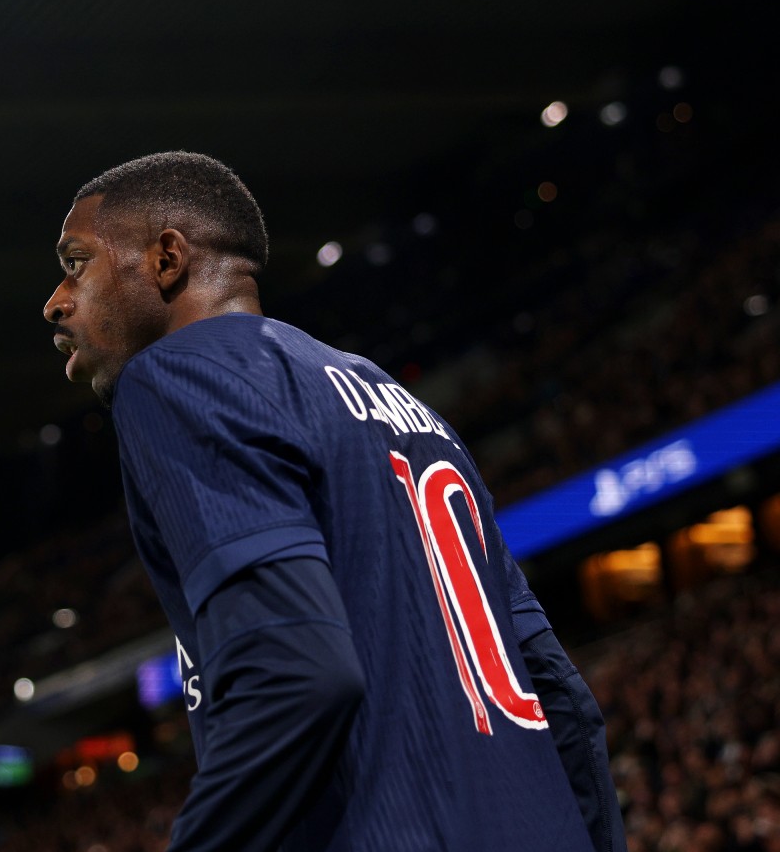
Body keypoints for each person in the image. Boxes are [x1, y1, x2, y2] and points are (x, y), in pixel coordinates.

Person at [43, 151, 627, 852]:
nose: (55, 299)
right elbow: (563, 700)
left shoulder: (175, 376)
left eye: (77, 262)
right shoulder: (405, 406)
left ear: (168, 258)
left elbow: (298, 678)